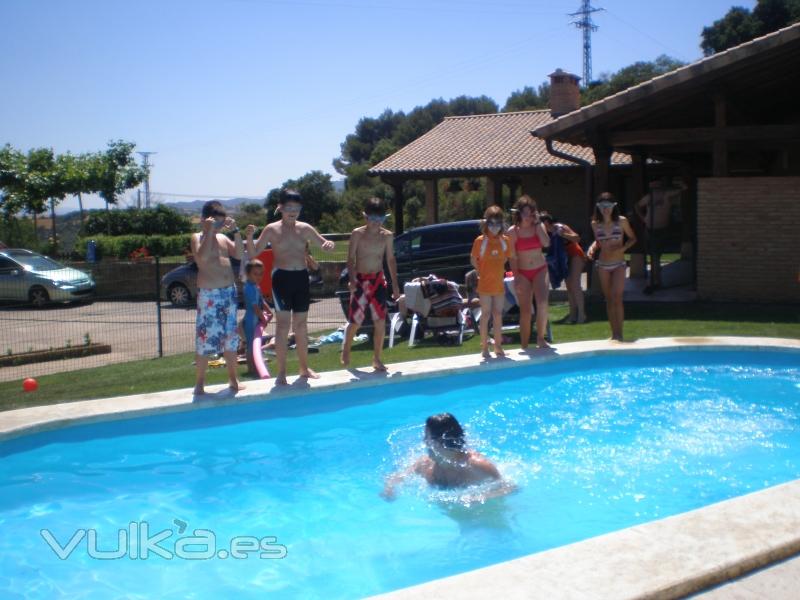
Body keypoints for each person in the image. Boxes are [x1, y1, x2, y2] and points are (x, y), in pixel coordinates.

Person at [246, 189, 335, 385]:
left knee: (302, 327)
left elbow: (323, 243)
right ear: (280, 208)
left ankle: (304, 368)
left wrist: (328, 245)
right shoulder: (271, 229)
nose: (293, 211)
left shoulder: (305, 228)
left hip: (301, 278)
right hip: (282, 280)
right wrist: (250, 236)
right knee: (283, 327)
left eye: (296, 207)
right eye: (288, 208)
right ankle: (282, 372)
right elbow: (254, 252)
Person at [381, 413, 512, 501]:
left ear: (441, 441)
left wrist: (475, 498)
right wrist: (389, 489)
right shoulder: (425, 464)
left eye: (426, 436)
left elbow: (509, 488)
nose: (423, 441)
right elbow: (397, 477)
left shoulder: (476, 465)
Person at [191, 200, 245, 395]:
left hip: (228, 293)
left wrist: (236, 231)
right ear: (206, 220)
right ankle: (200, 383)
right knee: (205, 339)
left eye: (221, 223)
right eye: (216, 223)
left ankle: (233, 380)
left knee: (230, 338)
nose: (219, 226)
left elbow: (239, 254)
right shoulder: (197, 237)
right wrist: (208, 232)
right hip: (209, 295)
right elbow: (201, 258)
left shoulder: (223, 238)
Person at [341, 197, 401, 371]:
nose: (376, 223)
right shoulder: (357, 234)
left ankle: (377, 358)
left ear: (384, 218)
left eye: (380, 220)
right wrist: (352, 280)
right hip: (360, 280)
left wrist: (395, 286)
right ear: (365, 217)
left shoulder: (387, 236)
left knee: (381, 321)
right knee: (356, 321)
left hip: (378, 281)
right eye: (372, 219)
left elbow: (390, 260)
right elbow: (350, 259)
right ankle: (346, 348)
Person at [587, 193, 637, 342]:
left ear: (613, 206)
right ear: (598, 208)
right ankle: (614, 333)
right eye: (602, 207)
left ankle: (620, 333)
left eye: (608, 206)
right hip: (603, 264)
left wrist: (622, 249)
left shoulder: (621, 221)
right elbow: (599, 241)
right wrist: (592, 247)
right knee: (608, 299)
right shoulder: (595, 224)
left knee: (617, 297)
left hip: (619, 263)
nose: (606, 209)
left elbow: (633, 238)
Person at [470, 205, 514, 358]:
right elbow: (473, 259)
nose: (494, 227)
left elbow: (507, 258)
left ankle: (498, 346)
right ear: (486, 223)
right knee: (486, 314)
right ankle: (484, 347)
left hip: (498, 284)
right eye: (491, 223)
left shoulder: (505, 241)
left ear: (502, 224)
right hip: (485, 284)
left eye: (497, 223)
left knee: (498, 314)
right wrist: (480, 270)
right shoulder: (480, 241)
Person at [508, 195, 550, 349]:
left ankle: (540, 338)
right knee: (525, 311)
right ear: (519, 213)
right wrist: (516, 277)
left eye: (530, 213)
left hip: (540, 269)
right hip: (523, 272)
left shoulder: (538, 226)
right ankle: (524, 344)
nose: (527, 217)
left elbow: (546, 243)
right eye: (524, 213)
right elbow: (512, 256)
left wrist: (538, 223)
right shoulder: (513, 231)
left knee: (542, 303)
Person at [540, 213, 587, 324]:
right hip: (563, 259)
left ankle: (582, 314)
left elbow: (577, 238)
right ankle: (572, 315)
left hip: (575, 255)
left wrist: (563, 235)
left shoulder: (560, 227)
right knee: (569, 288)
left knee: (575, 285)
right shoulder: (545, 233)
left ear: (546, 222)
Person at [636, 176, 679, 294]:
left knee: (656, 256)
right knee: (654, 256)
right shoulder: (648, 198)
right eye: (652, 186)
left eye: (656, 186)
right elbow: (637, 206)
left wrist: (678, 184)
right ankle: (656, 282)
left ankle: (655, 282)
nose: (654, 188)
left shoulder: (666, 195)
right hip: (650, 229)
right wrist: (643, 218)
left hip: (661, 229)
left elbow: (682, 189)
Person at [242, 258, 273, 376]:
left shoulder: (256, 286)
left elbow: (261, 301)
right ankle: (251, 368)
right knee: (251, 345)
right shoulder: (249, 287)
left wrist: (269, 311)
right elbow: (255, 306)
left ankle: (255, 367)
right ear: (248, 274)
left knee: (256, 344)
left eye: (261, 274)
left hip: (256, 319)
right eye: (255, 274)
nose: (259, 277)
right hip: (251, 320)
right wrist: (264, 318)